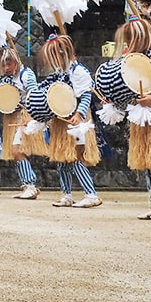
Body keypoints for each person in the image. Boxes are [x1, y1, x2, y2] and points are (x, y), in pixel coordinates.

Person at [108, 18, 151, 220]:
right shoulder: (131, 60)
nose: (129, 43)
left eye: (132, 39)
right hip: (141, 113)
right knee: (149, 159)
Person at [37, 34, 102, 208]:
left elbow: (86, 94)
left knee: (75, 157)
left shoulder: (78, 71)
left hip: (76, 122)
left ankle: (91, 194)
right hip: (60, 121)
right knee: (61, 159)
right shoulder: (58, 74)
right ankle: (66, 194)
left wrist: (79, 114)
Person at [0, 47, 47, 199]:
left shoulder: (26, 75)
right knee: (16, 152)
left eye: (9, 64)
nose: (6, 68)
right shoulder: (6, 79)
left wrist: (33, 117)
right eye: (3, 65)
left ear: (16, 62)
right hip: (14, 117)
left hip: (26, 116)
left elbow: (35, 96)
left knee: (17, 151)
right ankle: (27, 185)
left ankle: (30, 185)